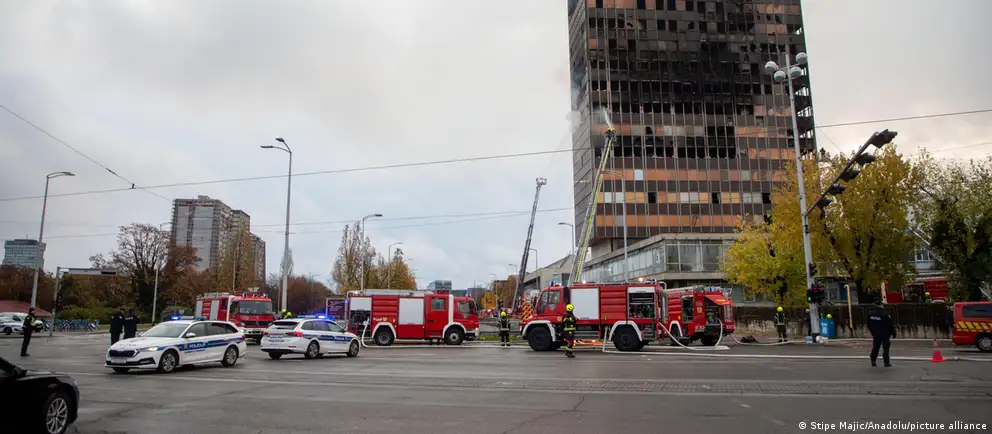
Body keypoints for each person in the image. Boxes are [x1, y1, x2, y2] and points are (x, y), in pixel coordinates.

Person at [868, 300, 895, 367]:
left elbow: (869, 324)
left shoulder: (870, 313)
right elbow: (890, 325)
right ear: (881, 305)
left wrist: (872, 332)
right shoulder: (885, 314)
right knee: (886, 348)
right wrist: (893, 333)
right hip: (885, 334)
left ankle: (873, 361)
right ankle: (886, 362)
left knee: (875, 348)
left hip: (876, 334)